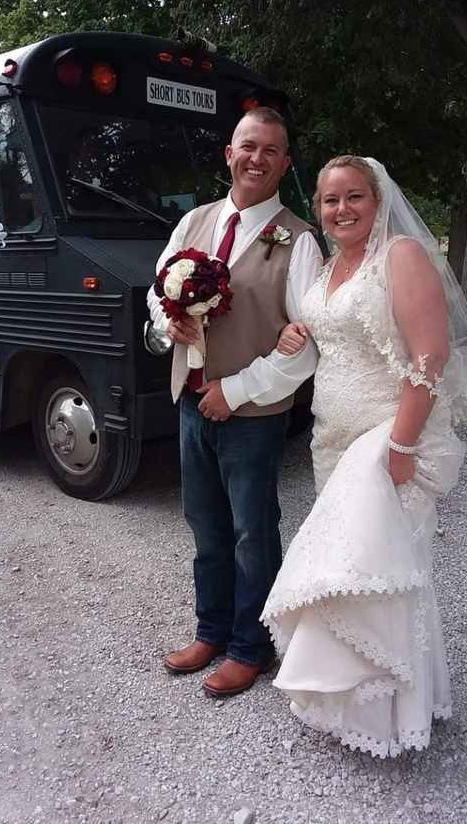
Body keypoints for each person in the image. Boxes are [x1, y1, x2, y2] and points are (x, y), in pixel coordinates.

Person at [260, 155, 467, 757]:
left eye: (354, 197)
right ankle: (347, 704)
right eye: (331, 201)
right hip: (330, 438)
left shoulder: (400, 258)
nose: (341, 210)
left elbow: (430, 356)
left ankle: (398, 712)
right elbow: (323, 338)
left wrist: (404, 444)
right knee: (346, 575)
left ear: (378, 201)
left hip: (385, 441)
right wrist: (291, 333)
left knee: (388, 574)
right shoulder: (329, 269)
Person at [146, 107, 323, 697]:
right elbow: (157, 290)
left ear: (285, 164)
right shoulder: (193, 222)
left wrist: (236, 390)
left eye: (271, 151)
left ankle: (251, 647)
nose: (257, 158)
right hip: (187, 403)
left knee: (253, 532)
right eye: (248, 146)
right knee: (205, 527)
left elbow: (307, 347)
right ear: (229, 154)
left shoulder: (298, 242)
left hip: (251, 416)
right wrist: (165, 322)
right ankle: (210, 631)